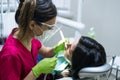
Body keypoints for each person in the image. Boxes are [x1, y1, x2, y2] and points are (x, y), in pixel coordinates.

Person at [0, 0, 65, 80]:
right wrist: (36, 71)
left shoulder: (28, 36)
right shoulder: (10, 55)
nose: (49, 31)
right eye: (48, 27)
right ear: (32, 25)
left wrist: (56, 49)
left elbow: (45, 52)